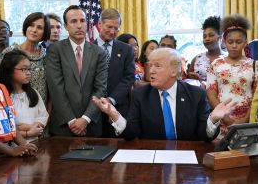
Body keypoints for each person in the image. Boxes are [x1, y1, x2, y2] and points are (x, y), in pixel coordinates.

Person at [93, 48, 236, 141]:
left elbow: (204, 136)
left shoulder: (196, 94)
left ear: (174, 71)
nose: (151, 71)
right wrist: (114, 114)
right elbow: (131, 133)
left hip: (186, 160)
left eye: (158, 66)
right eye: (150, 66)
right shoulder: (140, 94)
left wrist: (213, 119)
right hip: (153, 159)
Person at [46, 5, 108, 137]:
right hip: (63, 125)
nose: (79, 25)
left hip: (91, 125)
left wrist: (85, 119)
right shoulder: (55, 50)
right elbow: (56, 88)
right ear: (66, 26)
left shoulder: (99, 53)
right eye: (74, 21)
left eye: (82, 20)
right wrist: (73, 121)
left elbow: (100, 89)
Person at [206, 15, 255, 134]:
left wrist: (245, 120)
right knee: (220, 151)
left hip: (247, 123)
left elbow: (255, 97)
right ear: (224, 42)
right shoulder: (215, 64)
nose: (234, 46)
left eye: (238, 42)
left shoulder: (255, 65)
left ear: (245, 43)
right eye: (230, 42)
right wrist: (226, 118)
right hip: (222, 122)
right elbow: (211, 94)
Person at [93, 8, 135, 137]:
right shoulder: (87, 47)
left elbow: (128, 78)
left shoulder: (127, 49)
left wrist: (111, 100)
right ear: (100, 24)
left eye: (116, 28)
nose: (112, 31)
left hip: (118, 107)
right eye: (109, 27)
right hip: (92, 109)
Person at [0, 49, 49, 142]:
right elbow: (5, 128)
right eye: (23, 69)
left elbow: (43, 115)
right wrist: (28, 131)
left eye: (29, 69)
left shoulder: (33, 93)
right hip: (13, 146)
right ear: (9, 70)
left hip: (35, 141)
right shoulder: (2, 96)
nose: (28, 73)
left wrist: (33, 126)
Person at [4, 12, 50, 104]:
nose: (34, 30)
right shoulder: (10, 52)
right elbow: (1, 82)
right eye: (31, 25)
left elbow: (51, 89)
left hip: (42, 112)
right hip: (15, 108)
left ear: (45, 32)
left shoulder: (47, 56)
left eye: (39, 27)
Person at [188, 16, 224, 86]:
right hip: (200, 95)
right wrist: (193, 77)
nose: (207, 39)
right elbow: (189, 78)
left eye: (211, 35)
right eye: (204, 36)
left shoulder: (228, 58)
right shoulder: (197, 58)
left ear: (220, 37)